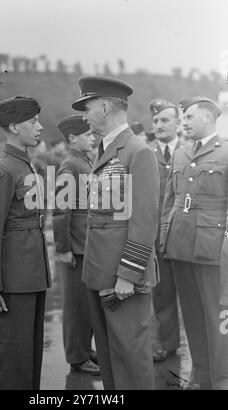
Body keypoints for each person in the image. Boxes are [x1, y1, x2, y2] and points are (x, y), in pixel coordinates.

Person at [72, 76, 160, 390]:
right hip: (99, 272)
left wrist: (129, 274)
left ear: (106, 107)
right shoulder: (104, 150)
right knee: (110, 359)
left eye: (87, 108)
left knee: (130, 359)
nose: (83, 116)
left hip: (122, 277)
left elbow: (145, 220)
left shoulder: (137, 152)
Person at [0, 96, 51, 390]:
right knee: (12, 365)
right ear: (14, 126)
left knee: (29, 361)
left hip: (30, 277)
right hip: (12, 282)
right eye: (33, 122)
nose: (40, 127)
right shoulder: (3, 170)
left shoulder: (22, 165)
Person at [160, 96, 228, 389]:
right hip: (180, 245)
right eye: (183, 117)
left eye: (188, 117)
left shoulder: (225, 152)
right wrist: (164, 236)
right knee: (192, 315)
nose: (183, 122)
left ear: (209, 120)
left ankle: (220, 376)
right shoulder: (180, 154)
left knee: (216, 318)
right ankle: (200, 373)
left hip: (212, 247)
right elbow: (169, 200)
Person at [52, 115, 99, 375]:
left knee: (86, 305)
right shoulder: (70, 165)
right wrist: (63, 247)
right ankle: (77, 357)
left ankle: (84, 349)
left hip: (86, 245)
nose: (92, 138)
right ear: (72, 138)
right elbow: (61, 210)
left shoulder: (83, 161)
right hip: (76, 247)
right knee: (76, 307)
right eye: (88, 134)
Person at [149, 99, 181, 362]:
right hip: (157, 239)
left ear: (179, 123)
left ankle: (204, 345)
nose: (159, 125)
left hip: (186, 238)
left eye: (165, 120)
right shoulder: (145, 154)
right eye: (156, 121)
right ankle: (167, 343)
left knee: (198, 295)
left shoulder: (191, 151)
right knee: (162, 294)